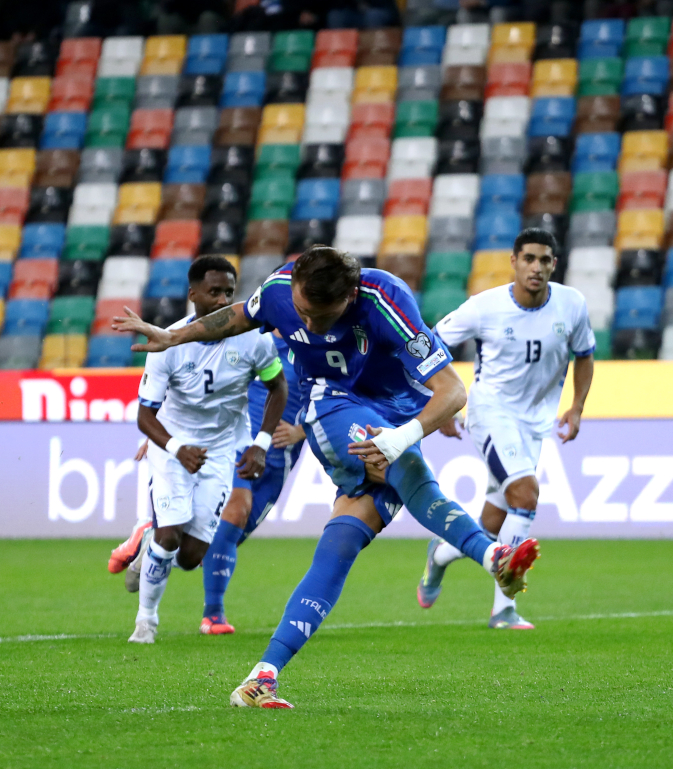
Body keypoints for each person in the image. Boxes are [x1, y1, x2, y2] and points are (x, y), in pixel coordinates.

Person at [113, 246, 539, 709]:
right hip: (329, 404)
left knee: (338, 548)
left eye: (323, 316)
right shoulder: (279, 290)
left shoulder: (386, 301)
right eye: (301, 313)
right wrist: (174, 338)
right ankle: (493, 554)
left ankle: (261, 677)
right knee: (406, 468)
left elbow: (453, 391)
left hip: (396, 415)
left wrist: (403, 436)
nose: (310, 327)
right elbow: (237, 316)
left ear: (351, 295)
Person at [106, 256, 289, 645]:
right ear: (193, 294)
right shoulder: (167, 342)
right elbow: (144, 416)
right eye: (214, 291)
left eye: (228, 292)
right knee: (170, 536)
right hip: (173, 445)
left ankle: (147, 540)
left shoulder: (253, 338)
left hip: (221, 450)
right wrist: (176, 447)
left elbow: (278, 388)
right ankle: (146, 622)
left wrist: (260, 442)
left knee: (190, 558)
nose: (223, 300)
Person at [421, 229, 596, 630]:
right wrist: (441, 405)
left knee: (491, 525)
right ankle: (504, 608)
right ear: (514, 262)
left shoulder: (572, 304)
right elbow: (429, 345)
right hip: (490, 412)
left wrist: (577, 406)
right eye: (530, 258)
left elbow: (585, 355)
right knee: (526, 495)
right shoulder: (485, 307)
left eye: (545, 260)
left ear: (555, 264)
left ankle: (441, 554)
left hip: (535, 423)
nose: (537, 267)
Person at [197, 330, 310, 634]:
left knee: (217, 541)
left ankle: (151, 541)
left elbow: (339, 397)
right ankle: (213, 615)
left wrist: (302, 430)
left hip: (279, 461)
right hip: (241, 443)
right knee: (236, 509)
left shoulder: (323, 347)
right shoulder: (260, 344)